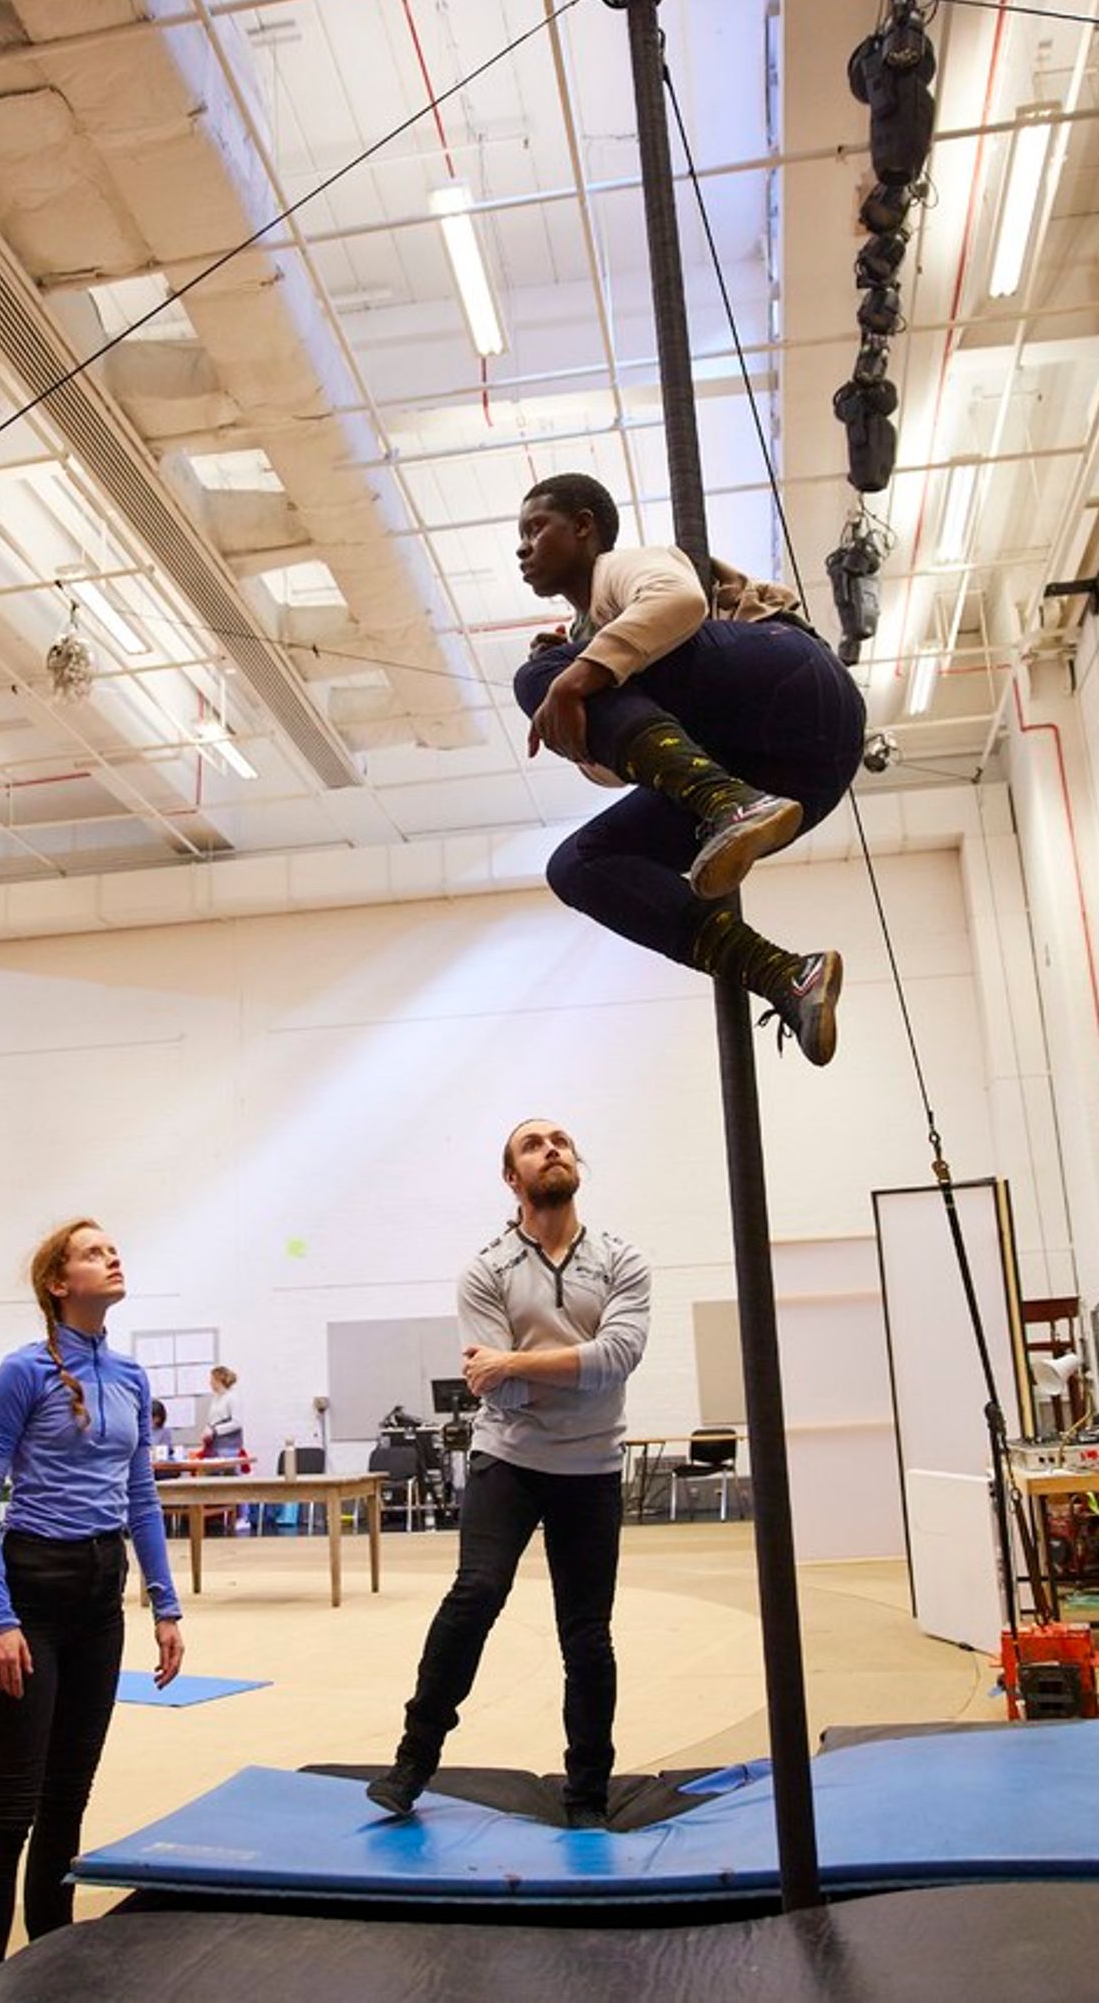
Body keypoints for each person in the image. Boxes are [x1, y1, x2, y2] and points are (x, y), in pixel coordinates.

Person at [511, 474, 866, 1066]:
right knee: (577, 865)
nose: (523, 547)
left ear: (582, 526)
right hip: (798, 774)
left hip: (789, 681)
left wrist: (574, 675)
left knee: (536, 680)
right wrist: (581, 675)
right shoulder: (585, 635)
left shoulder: (619, 569)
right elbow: (619, 772)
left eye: (535, 528)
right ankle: (786, 976)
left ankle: (730, 804)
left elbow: (682, 602)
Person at [368, 1118, 649, 1831]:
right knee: (475, 1595)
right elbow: (504, 1393)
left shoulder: (622, 1260)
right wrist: (568, 1368)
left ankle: (587, 1794)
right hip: (510, 1460)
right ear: (511, 1178)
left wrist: (518, 1362)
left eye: (560, 1139)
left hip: (591, 1466)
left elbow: (617, 1357)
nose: (551, 1148)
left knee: (587, 1634)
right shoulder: (486, 1270)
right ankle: (413, 1760)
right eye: (533, 1144)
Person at [0, 1218, 185, 1990]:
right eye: (93, 1252)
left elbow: (141, 1496)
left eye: (113, 1247)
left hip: (99, 1602)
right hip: (31, 1595)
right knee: (11, 1810)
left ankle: (51, 1965)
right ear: (59, 1284)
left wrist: (165, 1603)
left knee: (68, 1804)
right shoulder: (24, 1372)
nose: (112, 1255)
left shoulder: (128, 1376)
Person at [201, 1366, 243, 1456]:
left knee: (226, 1469)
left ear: (218, 1380)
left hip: (229, 1445)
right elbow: (213, 1419)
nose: (210, 1383)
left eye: (212, 1379)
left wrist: (215, 1430)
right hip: (215, 1444)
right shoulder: (216, 1398)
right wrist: (208, 1429)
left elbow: (237, 1423)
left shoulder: (232, 1397)